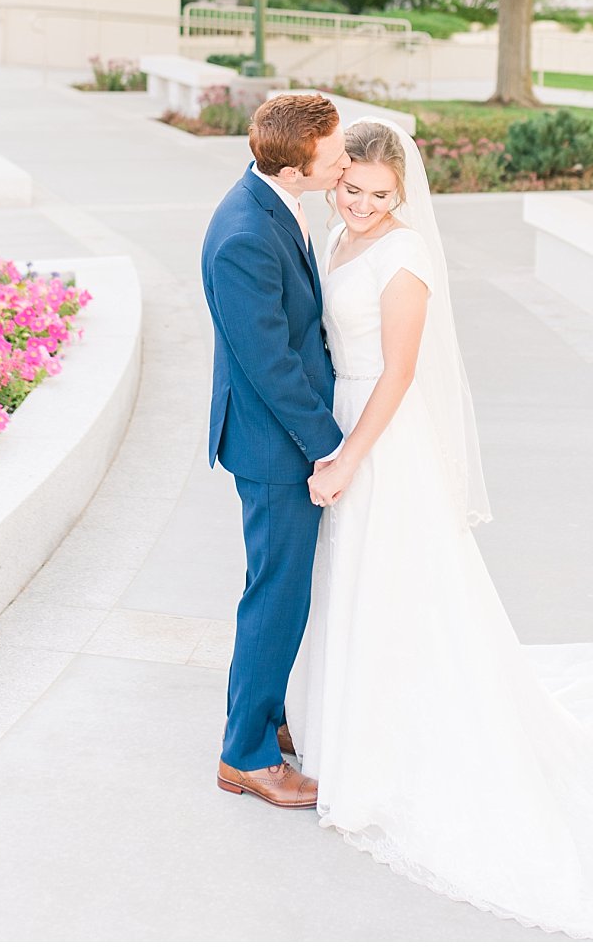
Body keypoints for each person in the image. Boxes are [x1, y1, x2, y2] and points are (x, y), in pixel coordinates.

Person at [285, 119, 593, 940]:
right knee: (349, 583)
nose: (363, 204)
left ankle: (385, 756)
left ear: (402, 193)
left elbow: (401, 373)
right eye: (352, 189)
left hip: (379, 436)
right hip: (340, 415)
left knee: (395, 584)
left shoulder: (404, 259)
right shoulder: (335, 233)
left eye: (379, 194)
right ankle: (343, 730)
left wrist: (346, 458)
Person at [199, 92, 350, 809]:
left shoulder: (273, 202)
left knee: (284, 592)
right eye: (336, 153)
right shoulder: (243, 236)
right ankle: (246, 755)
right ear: (295, 167)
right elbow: (271, 365)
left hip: (281, 437)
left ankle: (268, 712)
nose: (346, 159)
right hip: (274, 445)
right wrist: (330, 447)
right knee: (275, 597)